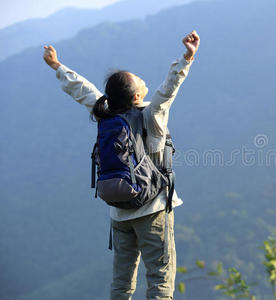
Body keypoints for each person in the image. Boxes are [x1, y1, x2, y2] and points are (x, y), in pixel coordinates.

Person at [43, 30, 200, 300]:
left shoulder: (105, 112)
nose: (142, 81)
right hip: (152, 211)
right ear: (137, 96)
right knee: (160, 279)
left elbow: (83, 90)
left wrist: (58, 66)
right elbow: (168, 88)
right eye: (139, 81)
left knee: (121, 282)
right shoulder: (153, 115)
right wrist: (187, 58)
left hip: (119, 213)